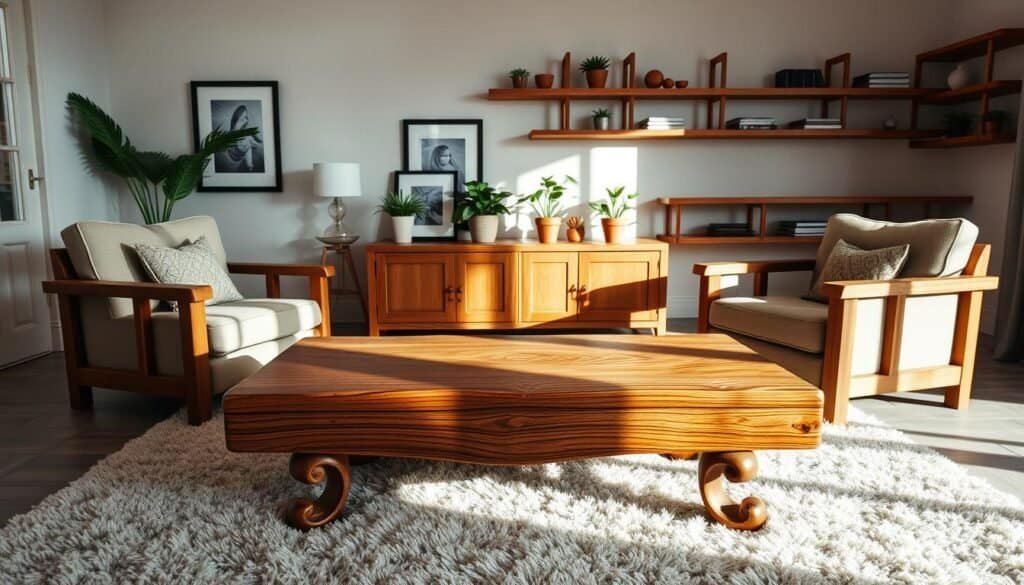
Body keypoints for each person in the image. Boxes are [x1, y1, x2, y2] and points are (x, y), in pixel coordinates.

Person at [216, 104, 263, 173]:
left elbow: (250, 148)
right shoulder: (227, 138)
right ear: (235, 121)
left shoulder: (247, 136)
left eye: (246, 118)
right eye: (242, 119)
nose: (246, 121)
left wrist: (249, 164)